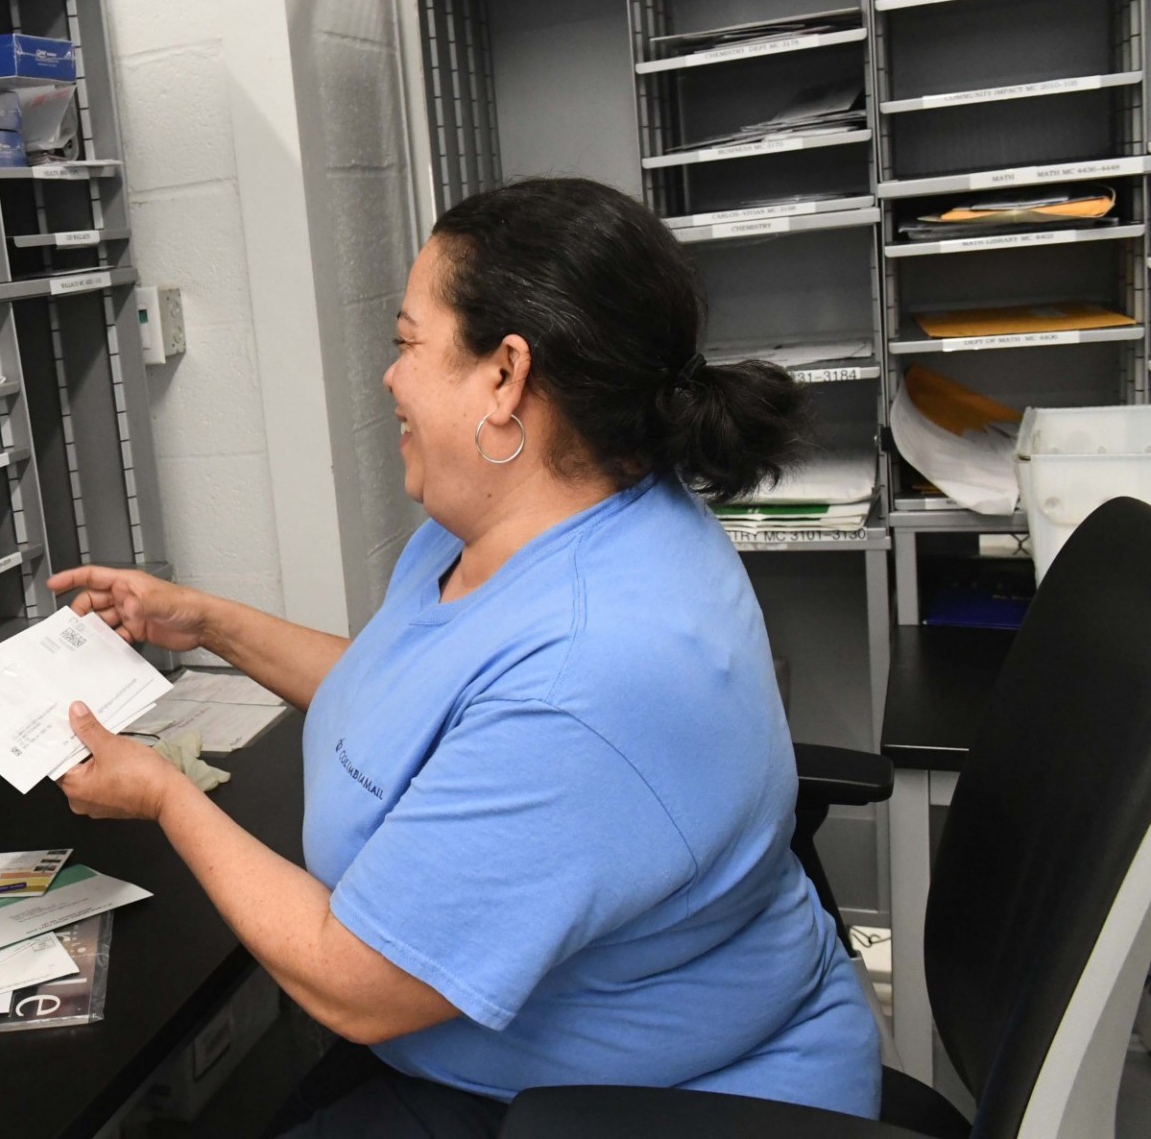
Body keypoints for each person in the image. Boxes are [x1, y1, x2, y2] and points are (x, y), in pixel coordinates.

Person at [48, 177, 882, 1137]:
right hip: (490, 1065)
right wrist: (206, 623)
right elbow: (413, 697)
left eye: (408, 343)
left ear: (505, 376)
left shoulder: (590, 669)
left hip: (657, 1107)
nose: (390, 377)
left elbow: (358, 983)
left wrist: (160, 794)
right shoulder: (524, 523)